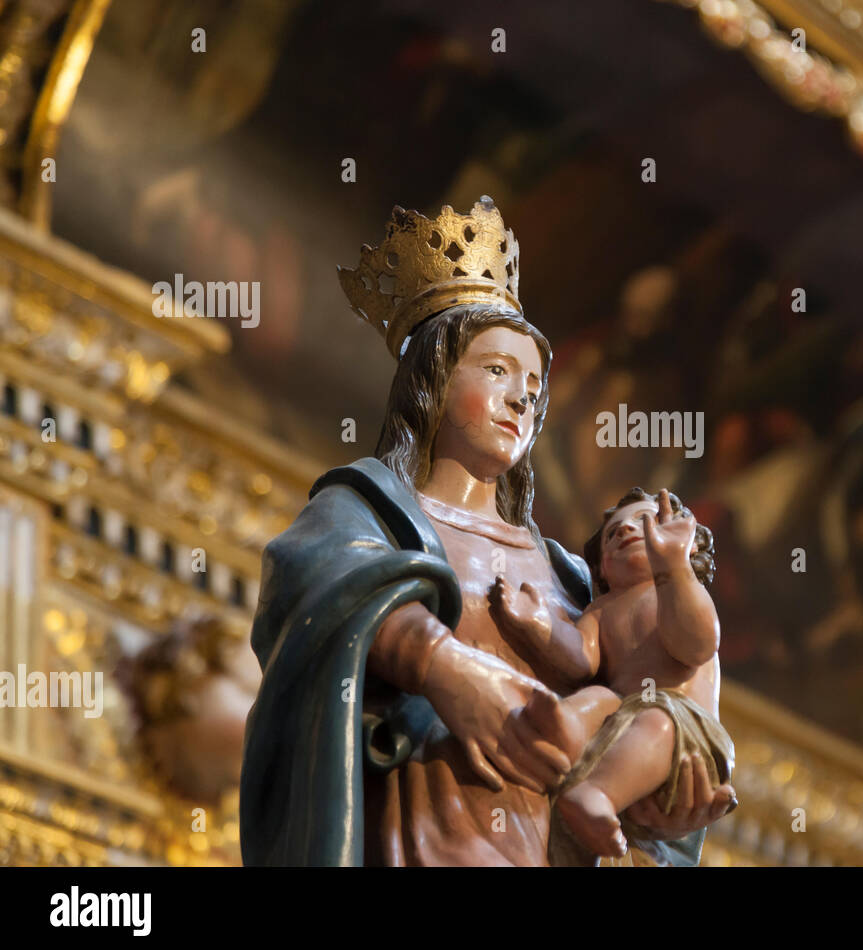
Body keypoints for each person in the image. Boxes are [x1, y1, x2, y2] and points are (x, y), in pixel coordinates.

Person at [239, 198, 735, 865]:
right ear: (435, 382)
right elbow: (319, 585)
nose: (521, 399)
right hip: (418, 833)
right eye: (496, 371)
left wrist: (661, 806)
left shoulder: (577, 580)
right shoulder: (371, 509)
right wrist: (443, 667)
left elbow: (655, 697)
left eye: (533, 385)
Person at [490, 487, 734, 866]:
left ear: (684, 539)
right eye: (612, 533)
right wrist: (540, 626)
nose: (623, 531)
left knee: (657, 723)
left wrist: (674, 569)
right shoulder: (603, 609)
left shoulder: (679, 591)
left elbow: (696, 645)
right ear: (602, 567)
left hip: (684, 729)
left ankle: (595, 796)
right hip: (621, 716)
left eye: (643, 522)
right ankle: (558, 727)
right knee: (599, 699)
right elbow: (581, 658)